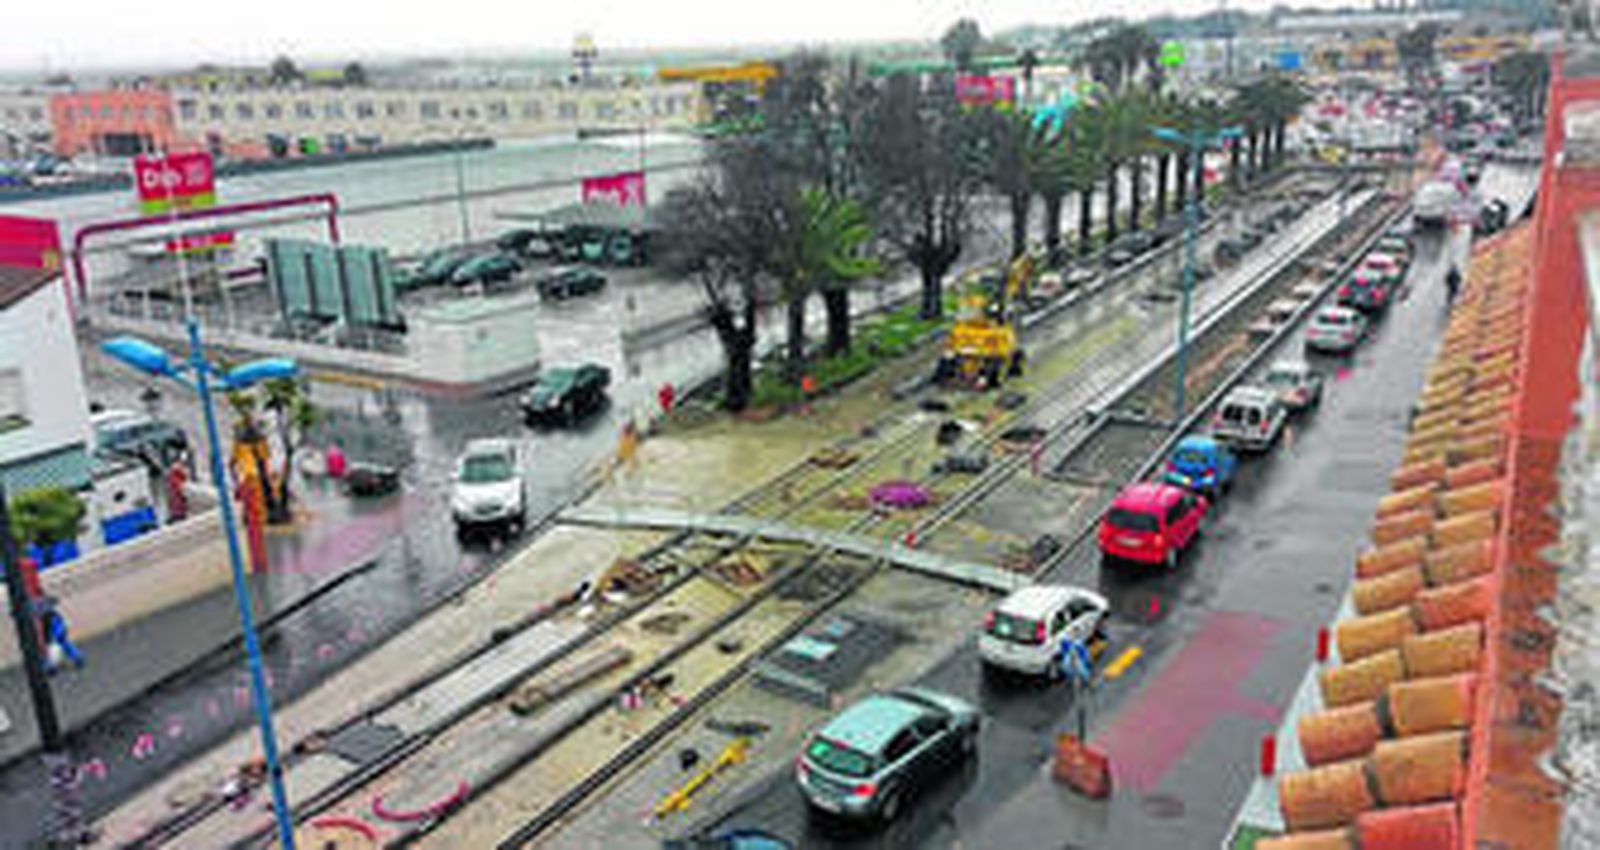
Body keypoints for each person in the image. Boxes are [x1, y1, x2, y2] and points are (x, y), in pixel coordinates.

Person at [39, 598, 84, 673]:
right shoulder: (48, 616)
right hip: (54, 632)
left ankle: (52, 665)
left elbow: (57, 626)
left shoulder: (51, 616)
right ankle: (76, 657)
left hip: (54, 633)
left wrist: (55, 635)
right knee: (62, 644)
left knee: (56, 646)